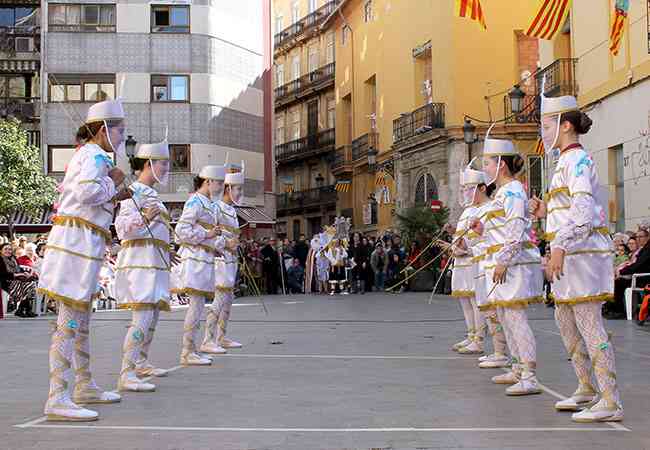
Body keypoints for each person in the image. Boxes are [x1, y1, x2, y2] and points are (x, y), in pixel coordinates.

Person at [529, 92, 623, 422]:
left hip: (582, 256)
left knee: (589, 324)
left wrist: (559, 247)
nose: (542, 133)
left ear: (565, 126)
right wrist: (545, 212)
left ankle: (610, 400)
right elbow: (570, 210)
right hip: (571, 255)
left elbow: (583, 214)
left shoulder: (577, 161)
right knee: (564, 321)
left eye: (545, 125)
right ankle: (586, 386)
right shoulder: (564, 164)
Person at [38, 98, 130, 421]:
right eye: (119, 129)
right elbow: (86, 193)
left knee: (82, 319)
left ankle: (84, 384)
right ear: (103, 129)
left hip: (85, 247)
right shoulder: (92, 155)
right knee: (70, 320)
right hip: (75, 247)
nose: (122, 135)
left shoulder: (94, 156)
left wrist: (116, 194)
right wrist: (113, 181)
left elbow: (93, 200)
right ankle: (57, 395)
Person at [472, 137, 543, 396]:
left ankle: (529, 374)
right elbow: (500, 230)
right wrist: (482, 229)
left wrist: (503, 261)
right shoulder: (503, 192)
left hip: (513, 265)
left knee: (515, 318)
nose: (485, 168)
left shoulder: (513, 191)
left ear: (501, 165)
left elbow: (514, 230)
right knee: (505, 316)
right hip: (502, 265)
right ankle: (516, 367)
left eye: (487, 163)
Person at [115, 139, 174, 391]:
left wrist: (168, 251)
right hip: (140, 263)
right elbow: (121, 229)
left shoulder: (152, 195)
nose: (166, 169)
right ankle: (126, 372)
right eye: (163, 163)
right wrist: (143, 218)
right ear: (149, 164)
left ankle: (140, 362)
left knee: (153, 317)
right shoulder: (134, 192)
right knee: (143, 316)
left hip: (155, 262)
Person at [173, 165, 224, 364]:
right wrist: (207, 235)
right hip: (194, 260)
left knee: (198, 306)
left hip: (204, 259)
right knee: (195, 306)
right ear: (207, 181)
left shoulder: (208, 203)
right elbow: (181, 231)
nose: (221, 187)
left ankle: (191, 349)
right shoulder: (195, 201)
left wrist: (215, 243)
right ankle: (187, 351)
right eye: (218, 183)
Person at [210, 163, 244, 351]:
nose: (240, 193)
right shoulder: (216, 208)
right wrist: (224, 243)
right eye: (238, 188)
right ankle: (208, 338)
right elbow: (209, 234)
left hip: (231, 260)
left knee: (228, 299)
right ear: (228, 188)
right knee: (220, 298)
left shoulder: (232, 211)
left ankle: (222, 336)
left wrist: (235, 243)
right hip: (220, 260)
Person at [450, 172, 485, 354]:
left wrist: (467, 248)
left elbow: (483, 237)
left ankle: (479, 339)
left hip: (473, 261)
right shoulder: (466, 211)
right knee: (464, 300)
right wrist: (454, 245)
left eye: (469, 188)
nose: (465, 192)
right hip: (461, 262)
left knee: (474, 300)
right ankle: (471, 334)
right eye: (463, 189)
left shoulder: (482, 209)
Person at [0, 242, 37, 317]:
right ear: (1, 251)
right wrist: (18, 274)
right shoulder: (0, 259)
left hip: (17, 279)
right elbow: (3, 275)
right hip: (5, 281)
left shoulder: (13, 258)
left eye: (10, 249)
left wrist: (25, 273)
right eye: (5, 249)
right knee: (26, 285)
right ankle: (26, 309)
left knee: (31, 283)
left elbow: (19, 269)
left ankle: (21, 309)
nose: (8, 251)